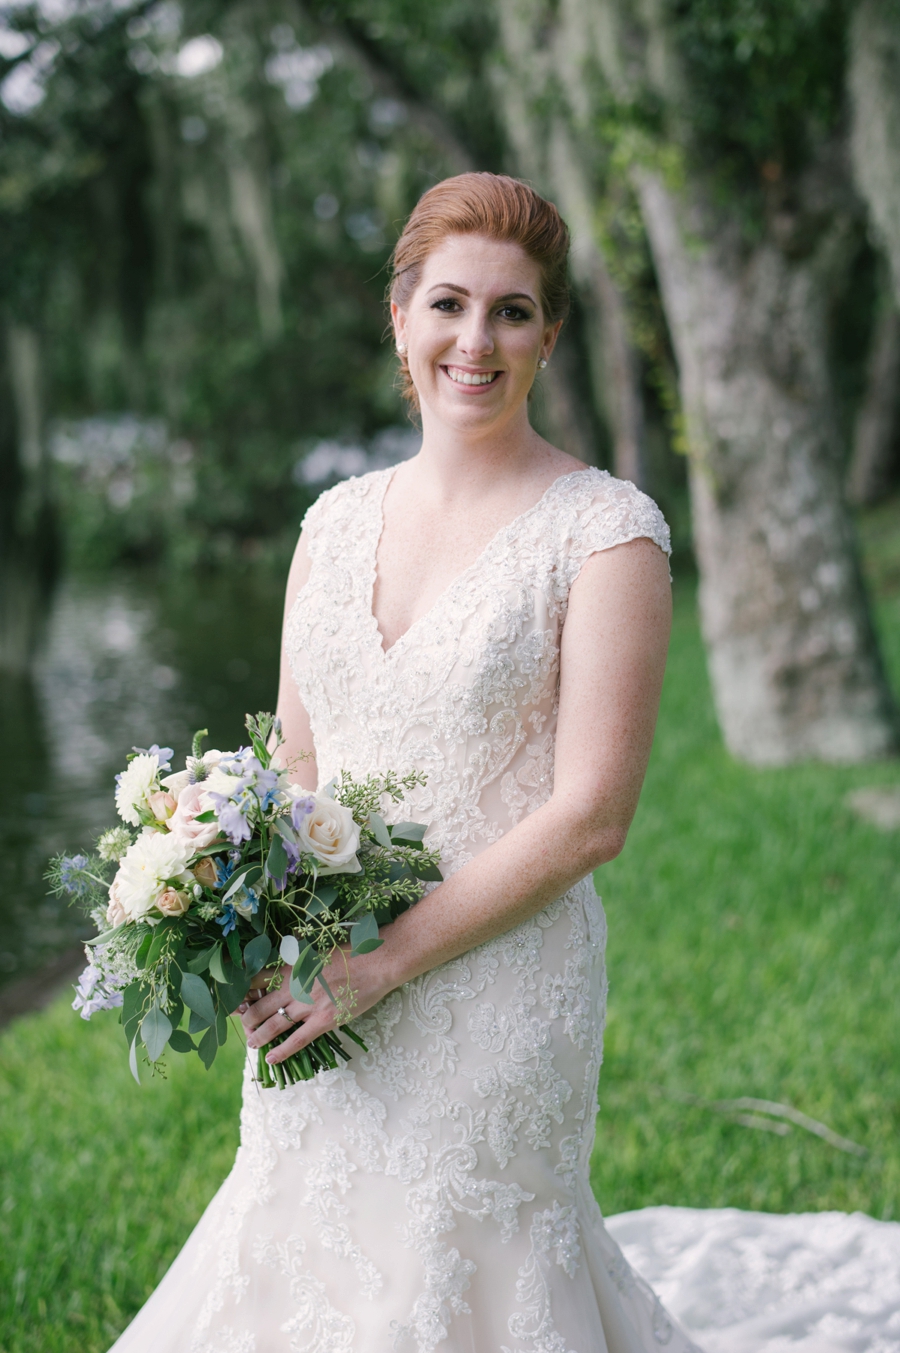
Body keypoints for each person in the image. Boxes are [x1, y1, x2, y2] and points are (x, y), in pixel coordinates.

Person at [109, 172, 699, 1353]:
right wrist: (243, 920)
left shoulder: (606, 533)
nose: (475, 341)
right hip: (323, 975)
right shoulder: (331, 522)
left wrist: (382, 965)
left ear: (550, 332)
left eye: (514, 311)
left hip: (497, 981)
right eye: (448, 304)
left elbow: (591, 818)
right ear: (399, 317)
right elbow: (297, 756)